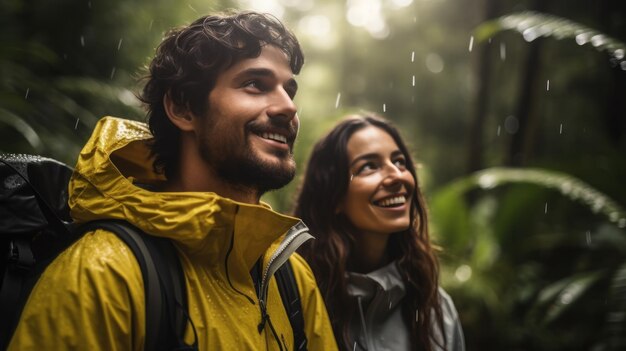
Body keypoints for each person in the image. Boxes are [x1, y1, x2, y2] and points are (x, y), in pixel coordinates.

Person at [8, 11, 337, 350]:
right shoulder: (102, 274)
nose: (288, 107)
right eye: (255, 84)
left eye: (289, 90)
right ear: (183, 108)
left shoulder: (291, 277)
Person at [293, 113, 465, 351]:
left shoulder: (435, 311)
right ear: (334, 196)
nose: (396, 175)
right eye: (369, 166)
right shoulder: (297, 303)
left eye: (399, 161)